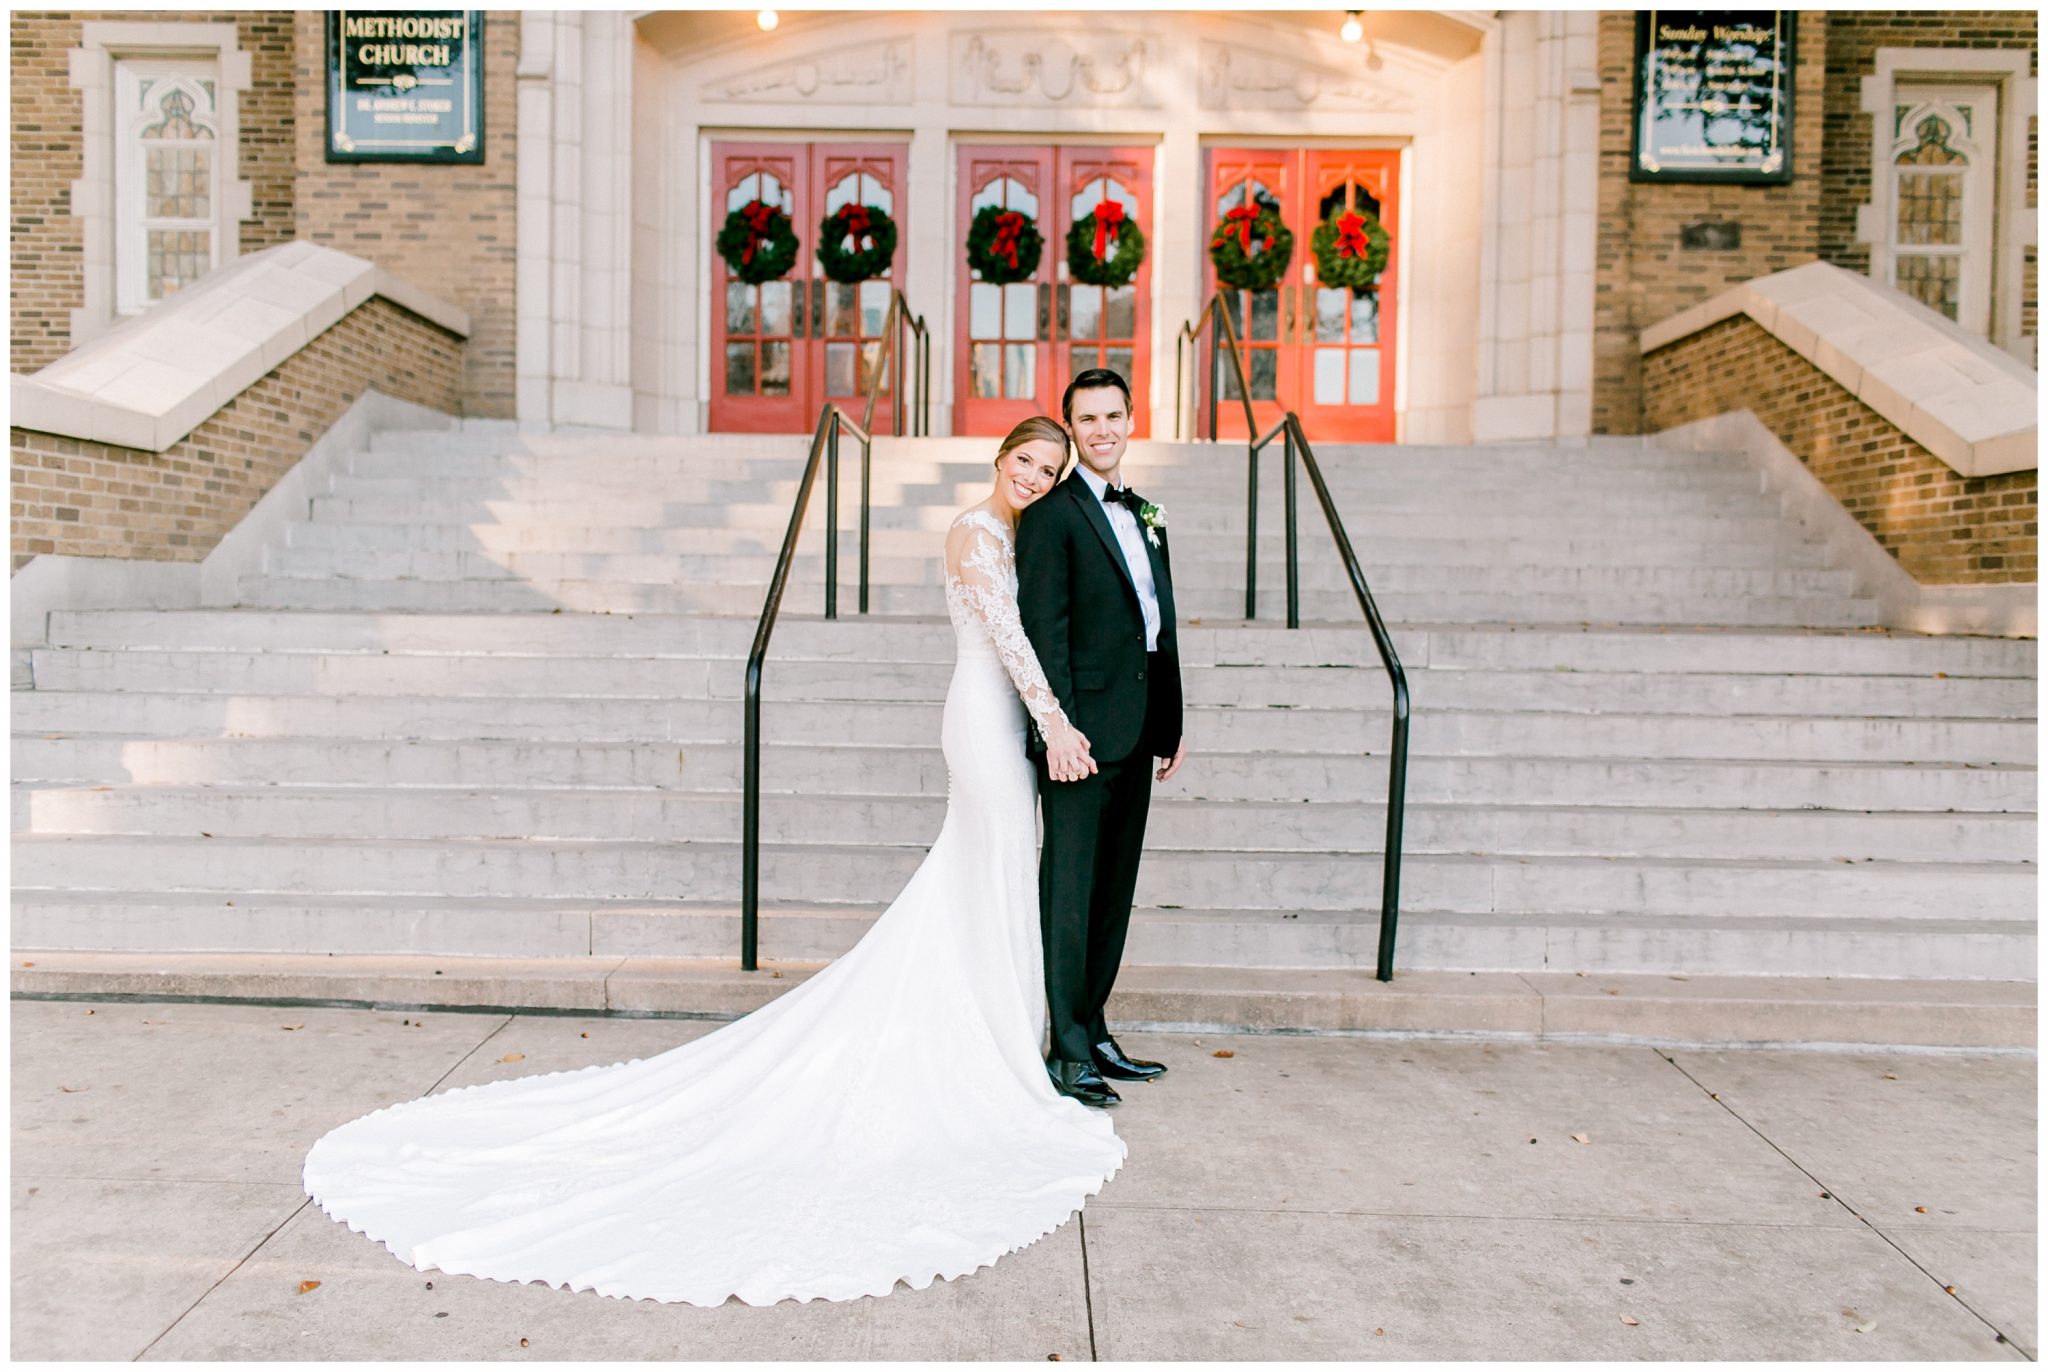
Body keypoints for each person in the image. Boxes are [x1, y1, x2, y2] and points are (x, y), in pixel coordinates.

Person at [301, 416, 1126, 1307]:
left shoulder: (1020, 529)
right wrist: (1054, 721)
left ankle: (998, 1030)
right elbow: (1007, 636)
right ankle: (986, 1048)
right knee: (992, 861)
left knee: (991, 873)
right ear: (999, 459)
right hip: (986, 715)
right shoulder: (973, 530)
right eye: (1026, 462)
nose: (1038, 478)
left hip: (1008, 717)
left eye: (1051, 468)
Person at [1016, 368, 1186, 1109]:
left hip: (1140, 729)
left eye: (1114, 415)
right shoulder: (1052, 516)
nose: (1103, 429)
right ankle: (1068, 1051)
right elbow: (1043, 633)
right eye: (1088, 420)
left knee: (1114, 893)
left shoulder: (1148, 512)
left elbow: (1159, 627)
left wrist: (1172, 720)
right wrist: (1057, 730)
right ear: (1071, 428)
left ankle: (1096, 1027)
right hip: (1078, 740)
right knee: (1072, 896)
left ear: (1131, 419)